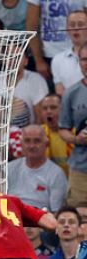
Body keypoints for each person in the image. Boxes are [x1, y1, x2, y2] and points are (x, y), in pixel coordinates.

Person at [7, 125, 68, 212]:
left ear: (46, 144)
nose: (31, 146)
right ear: (21, 144)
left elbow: (56, 212)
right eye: (27, 141)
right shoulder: (9, 168)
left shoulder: (56, 174)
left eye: (37, 141)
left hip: (41, 221)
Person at [58, 44, 87, 207]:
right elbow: (63, 129)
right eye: (84, 59)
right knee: (79, 216)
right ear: (79, 62)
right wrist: (77, 139)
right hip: (81, 168)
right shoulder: (71, 93)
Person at [51, 10, 87, 96]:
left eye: (81, 24)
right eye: (72, 25)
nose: (76, 28)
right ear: (67, 29)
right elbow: (59, 91)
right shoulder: (58, 60)